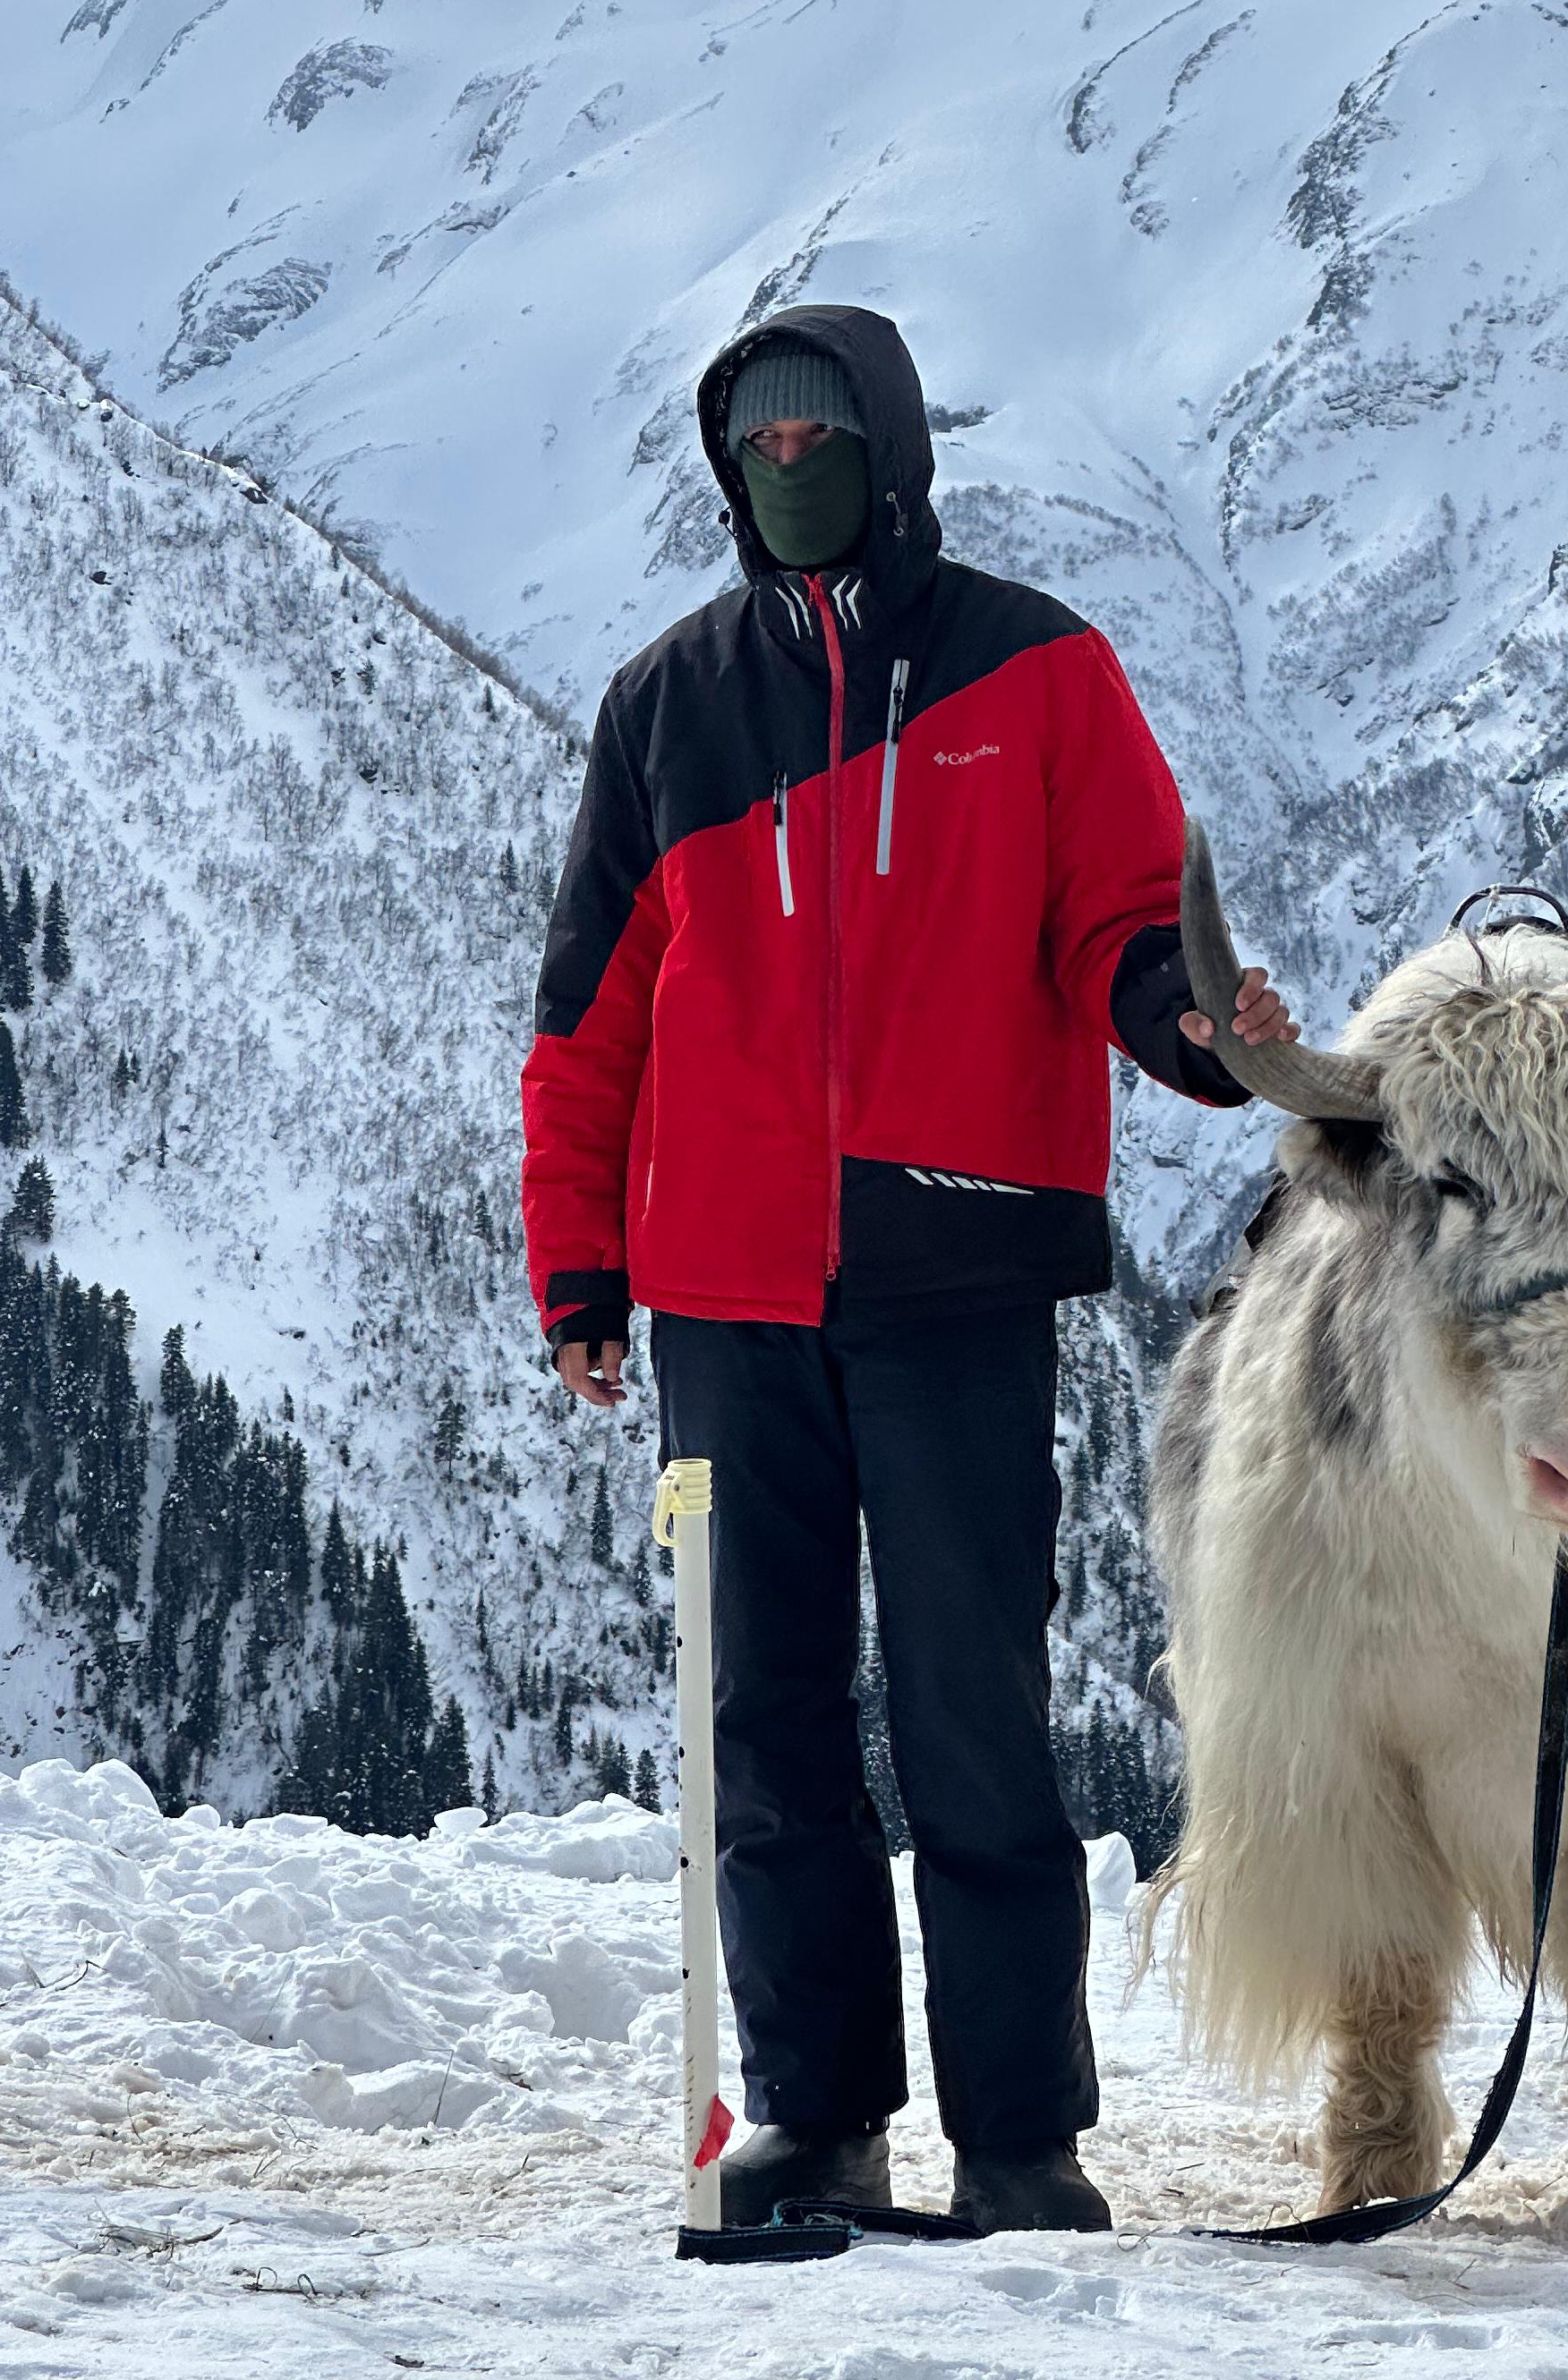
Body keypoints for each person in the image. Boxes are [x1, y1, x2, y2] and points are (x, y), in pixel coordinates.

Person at [519, 304, 1293, 2232]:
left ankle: (1022, 2141)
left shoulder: (1038, 674)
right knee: (761, 1720)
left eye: (820, 440)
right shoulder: (668, 707)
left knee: (974, 1717)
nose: (792, 474)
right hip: (723, 1295)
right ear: (724, 469)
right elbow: (589, 1019)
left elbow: (1122, 924)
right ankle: (820, 2117)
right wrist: (580, 1265)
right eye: (757, 450)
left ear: (891, 445)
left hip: (956, 1274)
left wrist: (1198, 1027)